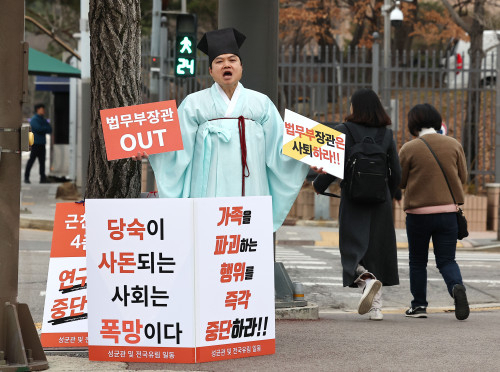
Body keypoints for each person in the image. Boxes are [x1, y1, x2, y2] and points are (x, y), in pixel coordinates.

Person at [135, 28, 310, 231]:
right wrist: (151, 149)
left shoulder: (261, 103)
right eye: (219, 61)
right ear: (210, 71)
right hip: (206, 192)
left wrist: (311, 158)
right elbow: (176, 148)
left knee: (245, 243)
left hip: (251, 190)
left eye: (232, 60)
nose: (226, 64)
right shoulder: (194, 104)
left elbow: (280, 147)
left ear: (241, 67)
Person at [312, 88, 401, 321]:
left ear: (356, 107)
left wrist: (319, 186)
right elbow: (397, 173)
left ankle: (366, 280)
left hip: (353, 199)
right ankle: (377, 309)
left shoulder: (344, 131)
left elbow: (333, 165)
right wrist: (387, 195)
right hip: (380, 202)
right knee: (376, 251)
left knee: (352, 250)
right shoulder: (387, 135)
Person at [399, 103, 469, 320]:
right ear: (438, 121)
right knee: (447, 260)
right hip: (448, 213)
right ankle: (456, 286)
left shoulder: (409, 148)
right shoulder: (454, 145)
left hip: (418, 215)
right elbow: (463, 178)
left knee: (418, 261)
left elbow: (400, 182)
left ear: (413, 124)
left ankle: (419, 306)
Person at [25, 103, 52, 184]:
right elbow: (39, 129)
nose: (43, 110)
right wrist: (44, 128)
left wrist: (43, 128)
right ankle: (26, 177)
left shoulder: (43, 119)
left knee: (42, 162)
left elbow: (50, 129)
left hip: (42, 143)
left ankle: (42, 178)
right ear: (38, 110)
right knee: (31, 160)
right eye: (42, 109)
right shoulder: (34, 119)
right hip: (35, 143)